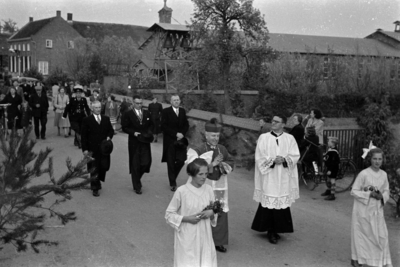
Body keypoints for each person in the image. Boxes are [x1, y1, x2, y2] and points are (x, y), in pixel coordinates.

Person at [251, 115, 300, 244]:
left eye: (276, 121)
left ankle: (278, 229)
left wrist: (284, 159)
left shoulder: (290, 138)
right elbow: (259, 156)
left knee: (281, 201)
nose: (273, 123)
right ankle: (270, 230)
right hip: (269, 175)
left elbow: (295, 155)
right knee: (269, 200)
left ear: (283, 124)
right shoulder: (264, 138)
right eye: (272, 121)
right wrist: (272, 160)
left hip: (283, 175)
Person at [165, 158, 217, 267]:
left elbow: (214, 213)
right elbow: (169, 215)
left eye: (206, 174)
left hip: (205, 235)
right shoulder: (182, 191)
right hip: (187, 236)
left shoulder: (208, 189)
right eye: (200, 174)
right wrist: (187, 218)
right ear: (192, 174)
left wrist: (211, 213)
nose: (204, 177)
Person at [192, 118, 234, 253]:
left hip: (220, 187)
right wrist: (212, 165)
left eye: (217, 136)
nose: (216, 138)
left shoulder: (222, 149)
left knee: (219, 211)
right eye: (213, 136)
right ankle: (201, 240)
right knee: (203, 210)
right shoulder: (199, 149)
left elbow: (231, 162)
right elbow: (194, 167)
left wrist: (222, 165)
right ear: (206, 135)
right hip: (204, 187)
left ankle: (218, 242)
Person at [350, 146, 392, 267]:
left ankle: (380, 261)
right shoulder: (364, 174)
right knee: (364, 235)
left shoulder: (384, 174)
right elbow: (354, 191)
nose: (377, 161)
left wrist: (382, 196)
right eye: (375, 159)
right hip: (363, 211)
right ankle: (359, 259)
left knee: (381, 235)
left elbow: (386, 190)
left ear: (382, 160)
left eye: (379, 159)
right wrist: (369, 194)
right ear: (370, 159)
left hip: (377, 210)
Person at [81, 101, 114, 197]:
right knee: (94, 168)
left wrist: (109, 136)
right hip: (92, 149)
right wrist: (85, 149)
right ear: (92, 108)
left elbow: (110, 130)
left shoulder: (106, 119)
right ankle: (94, 188)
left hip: (104, 149)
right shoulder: (87, 120)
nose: (98, 109)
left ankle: (98, 181)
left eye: (99, 107)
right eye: (96, 107)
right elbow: (84, 136)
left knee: (104, 167)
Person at [121, 95, 153, 195]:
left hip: (145, 141)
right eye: (137, 103)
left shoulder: (147, 113)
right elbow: (124, 127)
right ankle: (137, 186)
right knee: (135, 164)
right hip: (134, 142)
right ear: (133, 103)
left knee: (146, 162)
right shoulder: (128, 114)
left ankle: (136, 178)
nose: (139, 105)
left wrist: (149, 133)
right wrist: (133, 133)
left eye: (140, 103)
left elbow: (151, 125)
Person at [161, 94, 189, 191]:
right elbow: (164, 126)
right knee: (171, 162)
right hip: (170, 141)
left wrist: (182, 134)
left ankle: (173, 176)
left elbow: (186, 124)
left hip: (181, 141)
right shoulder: (165, 112)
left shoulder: (182, 111)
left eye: (178, 100)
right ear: (171, 102)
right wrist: (175, 134)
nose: (177, 101)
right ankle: (172, 183)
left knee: (181, 160)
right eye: (174, 100)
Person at [321, 137, 340, 201]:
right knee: (328, 180)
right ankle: (329, 191)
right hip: (329, 167)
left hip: (333, 168)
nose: (328, 142)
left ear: (333, 143)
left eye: (329, 141)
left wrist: (330, 170)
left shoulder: (334, 152)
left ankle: (332, 195)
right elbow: (327, 156)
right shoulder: (330, 149)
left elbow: (333, 162)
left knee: (332, 181)